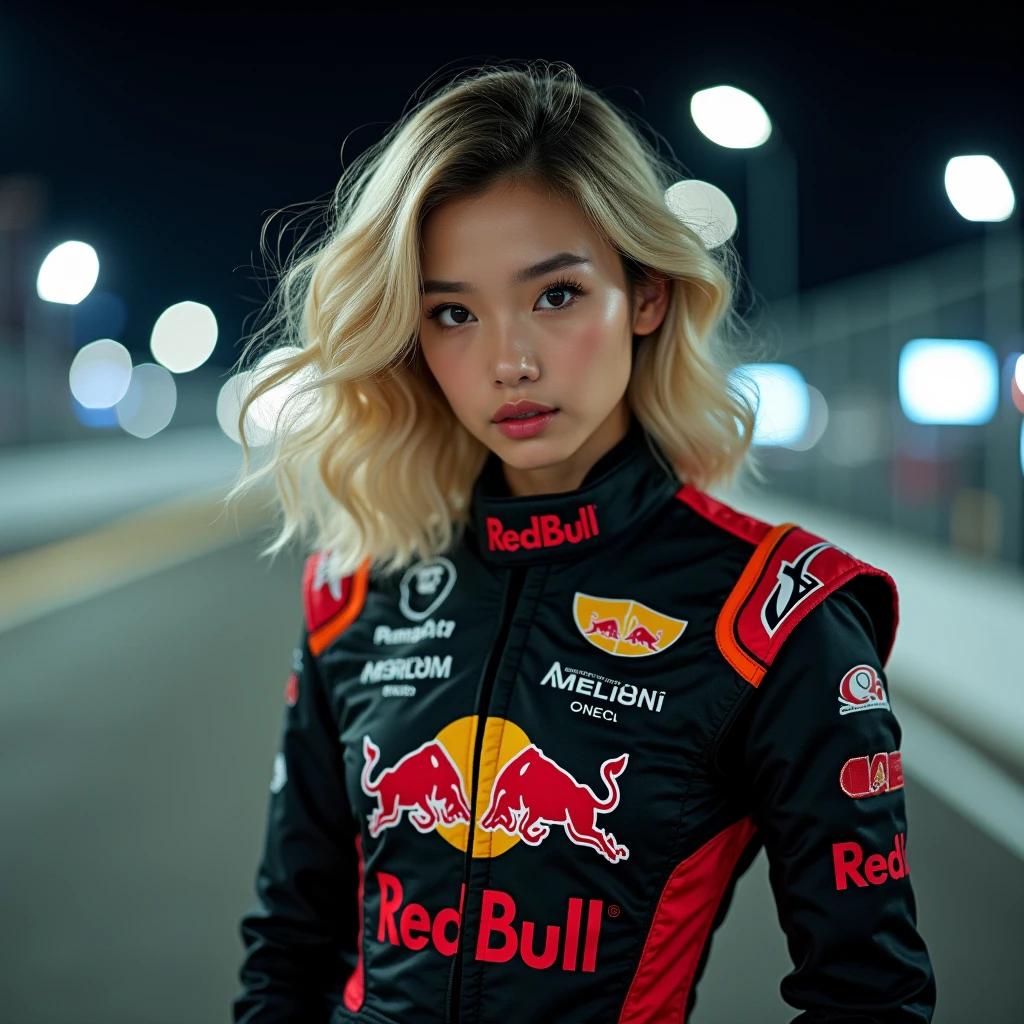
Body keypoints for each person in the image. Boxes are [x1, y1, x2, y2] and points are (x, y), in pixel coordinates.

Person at [230, 63, 935, 1023]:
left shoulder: (774, 612)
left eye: (555, 295)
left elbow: (870, 995)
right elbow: (288, 944)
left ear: (644, 296)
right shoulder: (356, 588)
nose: (508, 361)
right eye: (453, 313)